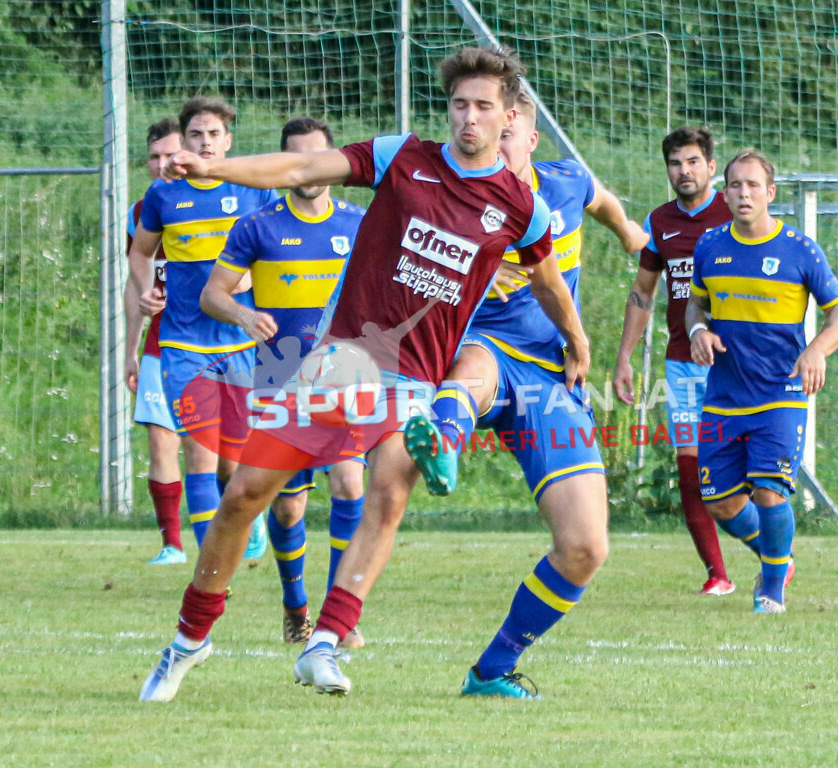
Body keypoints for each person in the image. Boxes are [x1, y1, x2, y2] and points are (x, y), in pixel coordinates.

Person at [138, 47, 588, 703]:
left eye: (483, 106)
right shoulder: (401, 158)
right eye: (459, 104)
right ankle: (190, 638)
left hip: (413, 377)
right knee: (245, 497)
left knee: (388, 484)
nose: (468, 117)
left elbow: (549, 283)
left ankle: (325, 642)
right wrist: (214, 166)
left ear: (510, 115)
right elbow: (299, 165)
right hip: (336, 360)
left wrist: (577, 342)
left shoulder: (522, 208)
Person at [402, 92, 647, 698]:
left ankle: (491, 671)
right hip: (482, 345)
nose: (489, 141)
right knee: (473, 373)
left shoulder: (565, 182)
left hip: (553, 376)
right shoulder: (453, 200)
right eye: (478, 128)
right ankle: (442, 442)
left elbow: (604, 202)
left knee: (586, 546)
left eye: (504, 133)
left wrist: (631, 235)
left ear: (529, 140)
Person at [198, 117, 368, 646]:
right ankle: (297, 608)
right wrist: (243, 316)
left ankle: (342, 619)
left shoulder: (359, 224)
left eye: (317, 158)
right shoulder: (258, 226)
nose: (309, 171)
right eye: (298, 159)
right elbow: (213, 295)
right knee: (288, 504)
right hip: (278, 379)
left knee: (349, 483)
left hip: (342, 380)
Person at [685, 148, 838, 614]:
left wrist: (816, 348)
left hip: (780, 392)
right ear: (724, 191)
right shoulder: (711, 245)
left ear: (770, 193)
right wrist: (698, 330)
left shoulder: (799, 250)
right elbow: (696, 303)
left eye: (753, 185)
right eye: (735, 184)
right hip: (724, 395)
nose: (743, 193)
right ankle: (780, 558)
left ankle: (771, 591)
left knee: (769, 490)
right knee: (719, 502)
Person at [127, 96, 275, 562]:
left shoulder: (255, 192)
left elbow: (279, 244)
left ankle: (242, 519)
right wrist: (147, 288)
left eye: (214, 134)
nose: (205, 142)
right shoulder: (163, 195)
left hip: (240, 342)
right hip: (182, 343)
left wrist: (259, 276)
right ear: (183, 141)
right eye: (196, 134)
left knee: (233, 461)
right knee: (198, 452)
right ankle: (211, 569)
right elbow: (140, 253)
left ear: (228, 141)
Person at [612, 127, 735, 596]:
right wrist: (624, 357)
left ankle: (774, 555)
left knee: (744, 467)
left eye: (691, 162)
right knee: (691, 471)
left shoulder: (733, 212)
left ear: (709, 165)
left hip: (734, 363)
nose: (683, 172)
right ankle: (717, 574)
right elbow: (643, 291)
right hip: (683, 363)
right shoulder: (660, 222)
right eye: (674, 164)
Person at [124, 118, 186, 565]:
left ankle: (247, 519)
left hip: (220, 343)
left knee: (223, 450)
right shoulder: (139, 213)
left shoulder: (221, 204)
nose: (163, 163)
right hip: (161, 345)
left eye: (171, 154)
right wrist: (131, 346)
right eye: (155, 156)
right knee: (161, 441)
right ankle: (172, 544)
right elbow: (136, 282)